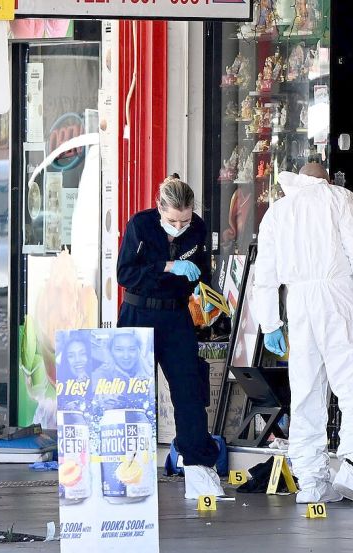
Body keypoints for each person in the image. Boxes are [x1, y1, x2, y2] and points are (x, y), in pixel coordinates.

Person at [251, 163, 353, 504]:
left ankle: (312, 483)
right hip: (337, 296)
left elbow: (266, 275)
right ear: (327, 180)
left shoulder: (277, 212)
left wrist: (271, 322)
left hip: (298, 303)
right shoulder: (339, 198)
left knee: (305, 392)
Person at [117, 174, 224, 500]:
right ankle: (128, 466)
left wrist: (206, 297)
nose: (179, 225)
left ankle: (198, 467)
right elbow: (125, 273)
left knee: (189, 391)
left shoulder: (198, 229)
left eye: (185, 218)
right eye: (173, 219)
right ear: (160, 208)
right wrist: (167, 266)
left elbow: (203, 270)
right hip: (139, 313)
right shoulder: (141, 225)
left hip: (177, 315)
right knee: (133, 393)